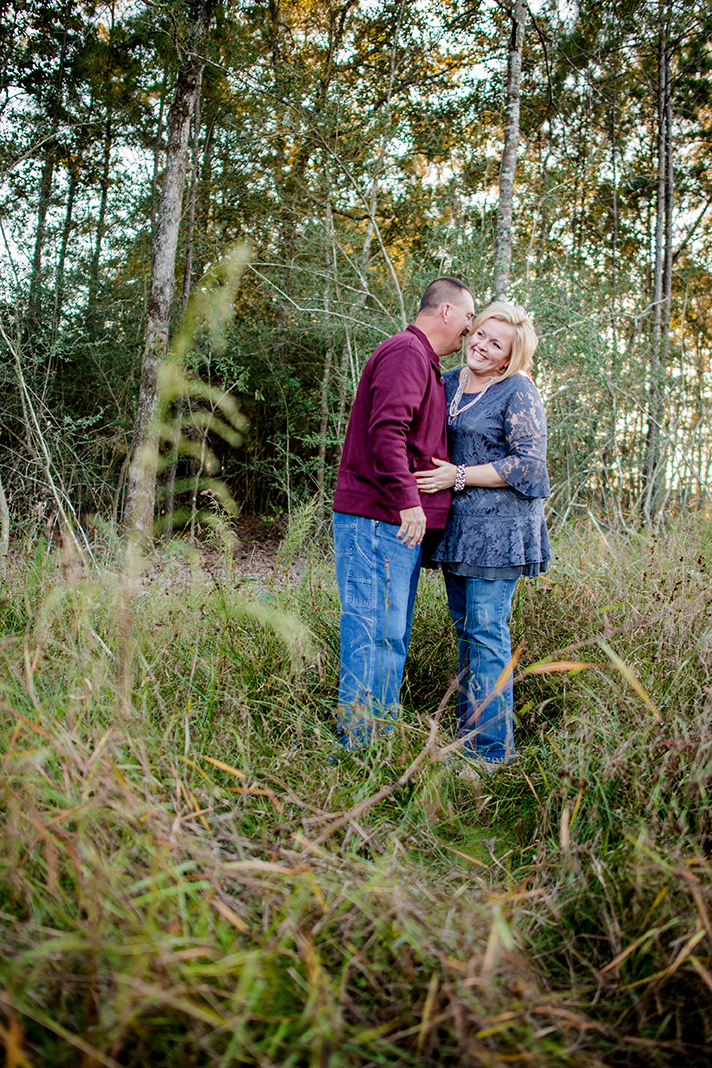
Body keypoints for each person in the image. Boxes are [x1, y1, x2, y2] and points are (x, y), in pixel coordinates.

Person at [333, 277, 476, 749]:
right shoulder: (406, 353)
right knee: (372, 635)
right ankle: (357, 749)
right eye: (469, 318)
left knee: (389, 637)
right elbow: (386, 431)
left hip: (392, 525)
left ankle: (376, 741)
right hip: (377, 519)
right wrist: (408, 501)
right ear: (446, 312)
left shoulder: (424, 362)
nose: (470, 330)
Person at [414, 303, 550, 766]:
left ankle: (492, 755)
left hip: (501, 532)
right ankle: (466, 742)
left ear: (509, 357)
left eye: (497, 344)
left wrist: (459, 475)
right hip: (457, 531)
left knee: (489, 635)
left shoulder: (517, 390)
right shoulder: (447, 381)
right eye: (481, 334)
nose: (482, 345)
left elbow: (528, 464)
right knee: (467, 636)